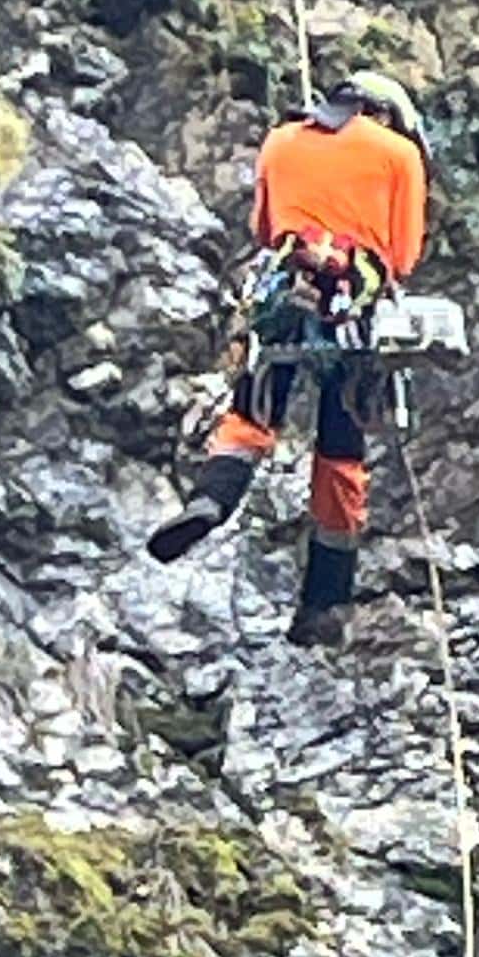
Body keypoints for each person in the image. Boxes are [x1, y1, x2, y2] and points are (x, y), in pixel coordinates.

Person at [147, 69, 430, 647]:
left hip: (284, 285)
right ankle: (322, 607)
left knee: (252, 415)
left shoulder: (280, 140)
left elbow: (265, 227)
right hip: (353, 302)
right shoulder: (400, 154)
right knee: (340, 453)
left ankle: (209, 500)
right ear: (386, 114)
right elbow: (401, 256)